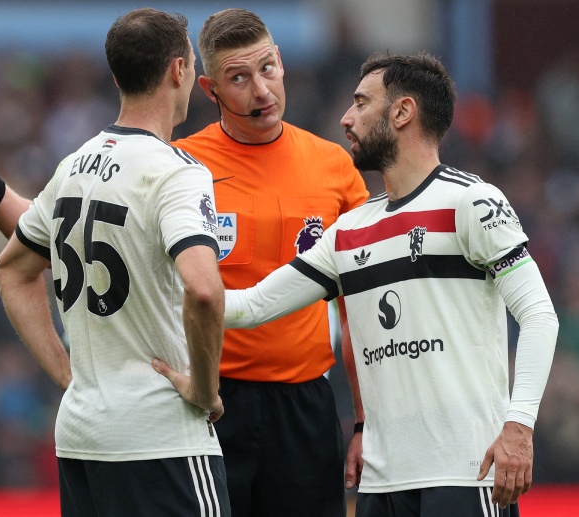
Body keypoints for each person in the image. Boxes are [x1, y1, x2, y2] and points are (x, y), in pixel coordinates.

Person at [0, 8, 369, 516]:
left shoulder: (332, 166)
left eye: (267, 69)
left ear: (283, 63)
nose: (261, 90)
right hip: (201, 393)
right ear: (204, 86)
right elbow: (83, 237)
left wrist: (362, 419)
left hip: (301, 403)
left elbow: (357, 299)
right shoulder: (181, 166)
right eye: (239, 78)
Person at [194, 51, 559, 517]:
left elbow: (539, 315)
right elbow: (248, 306)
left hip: (465, 475)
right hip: (381, 488)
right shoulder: (349, 231)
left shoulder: (472, 202)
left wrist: (519, 427)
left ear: (402, 112)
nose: (346, 118)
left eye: (362, 103)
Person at [0, 8, 230, 516]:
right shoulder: (177, 173)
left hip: (82, 436)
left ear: (116, 77)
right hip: (161, 437)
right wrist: (204, 388)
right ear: (179, 71)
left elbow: (15, 266)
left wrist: (69, 378)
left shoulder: (77, 164)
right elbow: (204, 289)